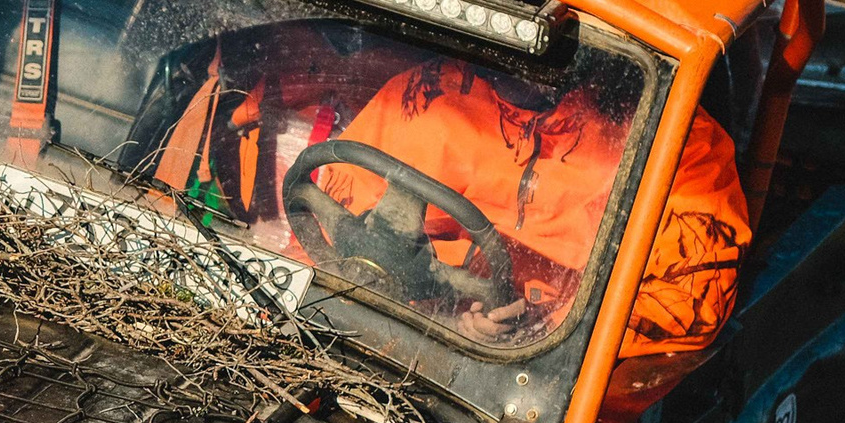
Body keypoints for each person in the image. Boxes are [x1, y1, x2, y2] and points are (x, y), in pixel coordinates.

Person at [312, 58, 749, 355]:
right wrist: (441, 318)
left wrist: (544, 331)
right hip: (409, 337)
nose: (522, 75)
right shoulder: (428, 92)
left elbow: (687, 302)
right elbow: (334, 226)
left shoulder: (675, 142)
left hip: (555, 382)